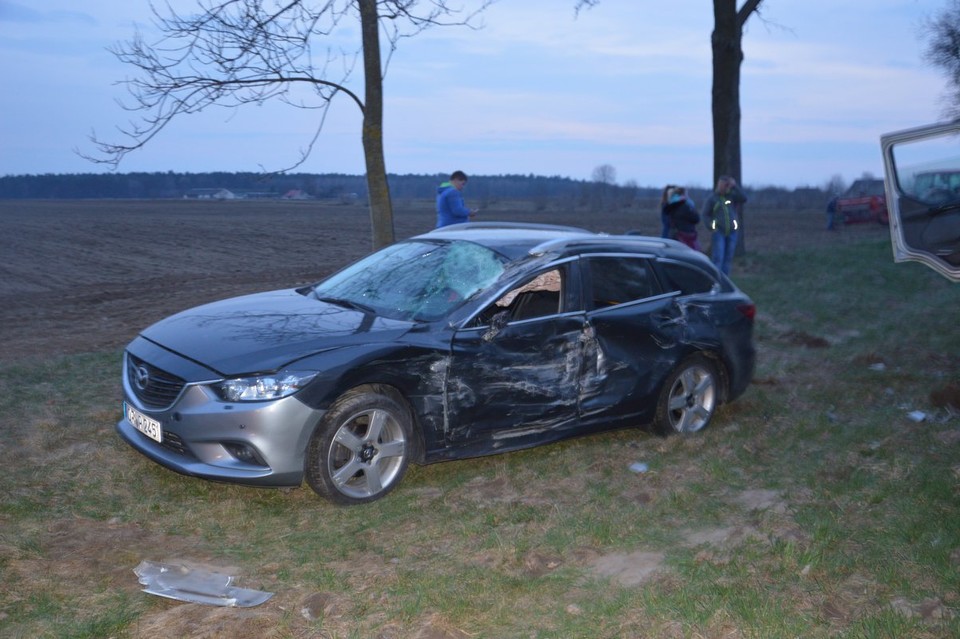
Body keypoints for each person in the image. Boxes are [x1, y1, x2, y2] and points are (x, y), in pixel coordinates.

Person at [702, 175, 747, 275]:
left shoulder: (732, 196)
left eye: (726, 185)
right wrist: (712, 227)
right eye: (722, 185)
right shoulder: (712, 199)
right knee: (718, 258)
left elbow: (743, 198)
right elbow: (705, 214)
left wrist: (735, 186)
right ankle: (715, 280)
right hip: (719, 232)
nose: (724, 187)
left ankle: (725, 282)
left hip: (732, 232)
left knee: (728, 258)